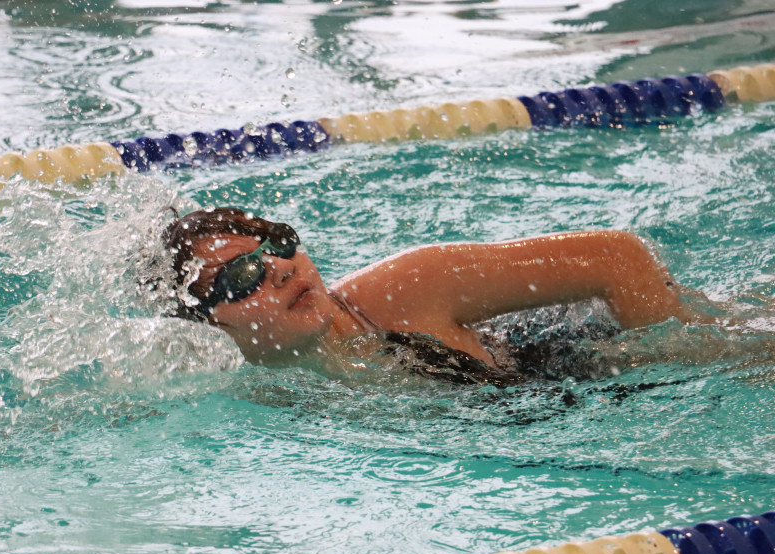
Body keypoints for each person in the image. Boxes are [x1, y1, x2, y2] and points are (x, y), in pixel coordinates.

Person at [161, 206, 715, 385]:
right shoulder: (238, 389)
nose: (280, 269)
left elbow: (614, 257)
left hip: (596, 362)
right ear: (208, 325)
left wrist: (675, 355)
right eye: (240, 276)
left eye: (278, 244)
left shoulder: (404, 289)